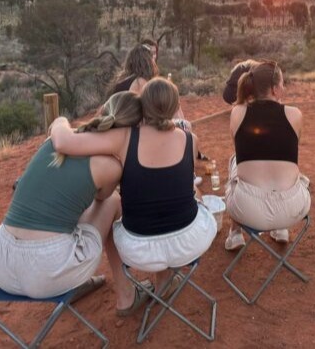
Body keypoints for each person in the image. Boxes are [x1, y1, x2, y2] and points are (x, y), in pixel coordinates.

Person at [50, 79, 217, 303]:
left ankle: (126, 293)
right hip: (189, 243)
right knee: (189, 196)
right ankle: (165, 280)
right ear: (176, 107)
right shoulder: (190, 139)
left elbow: (62, 143)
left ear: (143, 106)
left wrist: (60, 121)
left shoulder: (126, 137)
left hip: (139, 250)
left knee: (111, 204)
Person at [0, 92, 147, 316]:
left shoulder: (53, 142)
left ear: (102, 111)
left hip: (0, 261)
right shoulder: (109, 167)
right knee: (112, 202)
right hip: (49, 270)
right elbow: (101, 200)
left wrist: (62, 122)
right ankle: (126, 295)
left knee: (64, 208)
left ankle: (77, 280)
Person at [223, 61, 311, 250]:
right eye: (282, 84)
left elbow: (242, 149)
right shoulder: (295, 114)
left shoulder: (238, 112)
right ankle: (281, 229)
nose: (284, 87)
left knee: (235, 160)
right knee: (287, 164)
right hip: (291, 208)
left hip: (248, 209)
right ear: (274, 89)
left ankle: (235, 234)